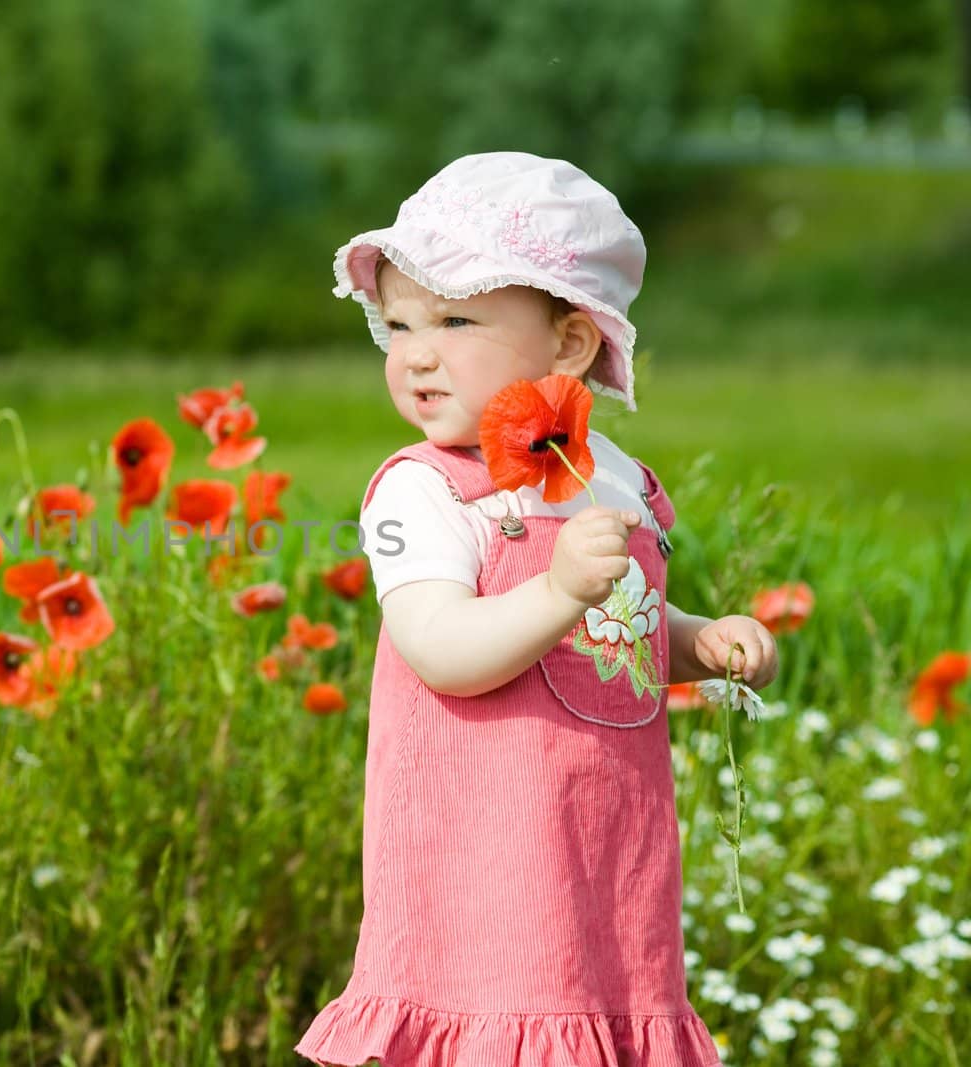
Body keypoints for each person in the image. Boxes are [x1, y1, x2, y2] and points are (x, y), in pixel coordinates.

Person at [295, 152, 778, 1067]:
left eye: (456, 317)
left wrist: (701, 642)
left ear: (569, 345)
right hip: (484, 872)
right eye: (396, 324)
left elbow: (617, 633)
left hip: (606, 869)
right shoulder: (422, 492)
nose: (416, 351)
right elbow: (440, 647)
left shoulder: (613, 480)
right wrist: (556, 589)